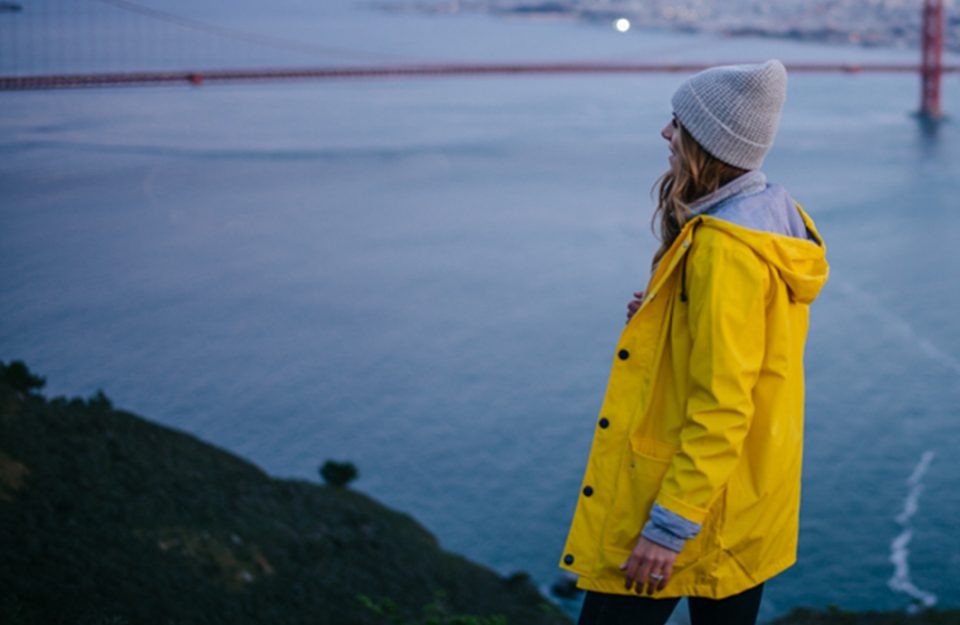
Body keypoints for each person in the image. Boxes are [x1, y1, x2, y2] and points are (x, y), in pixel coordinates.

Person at [558, 59, 829, 625]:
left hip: (684, 504)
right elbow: (750, 353)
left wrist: (668, 526)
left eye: (677, 122)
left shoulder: (725, 250)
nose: (665, 132)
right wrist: (670, 321)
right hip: (749, 502)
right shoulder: (774, 221)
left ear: (708, 141)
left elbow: (723, 402)